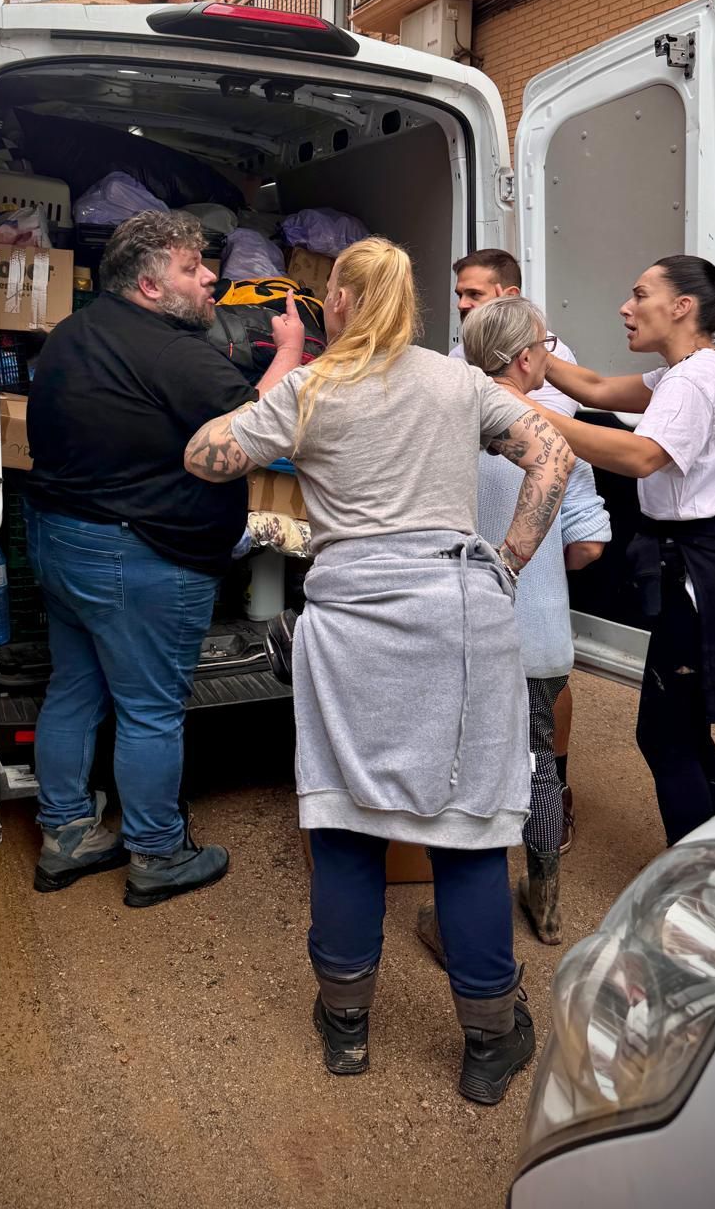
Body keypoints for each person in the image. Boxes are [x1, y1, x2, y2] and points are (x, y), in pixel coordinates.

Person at [184, 238, 575, 1106]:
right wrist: (506, 562)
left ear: (346, 303)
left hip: (351, 622)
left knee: (346, 824)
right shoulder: (459, 382)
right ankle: (486, 1043)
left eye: (330, 298)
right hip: (461, 616)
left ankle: (347, 1027)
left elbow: (206, 455)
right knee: (469, 831)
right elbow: (555, 458)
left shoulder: (311, 388)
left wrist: (265, 397)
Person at [23, 211, 305, 904]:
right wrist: (290, 353)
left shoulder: (72, 334)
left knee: (75, 689)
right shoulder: (173, 354)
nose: (210, 276)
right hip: (139, 556)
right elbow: (253, 431)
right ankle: (156, 852)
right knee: (151, 708)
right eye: (192, 268)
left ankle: (65, 835)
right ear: (150, 285)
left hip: (62, 540)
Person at [515, 255, 715, 846]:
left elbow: (640, 457)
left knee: (667, 733)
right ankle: (709, 854)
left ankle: (693, 877)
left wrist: (521, 409)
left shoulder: (696, 379)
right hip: (708, 569)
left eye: (639, 294)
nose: (626, 306)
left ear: (682, 307)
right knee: (686, 728)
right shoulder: (692, 371)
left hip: (708, 577)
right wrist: (536, 352)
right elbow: (592, 386)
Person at [449, 296, 609, 946]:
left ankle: (466, 913)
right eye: (546, 345)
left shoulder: (444, 425)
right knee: (540, 763)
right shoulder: (559, 433)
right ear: (523, 359)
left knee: (465, 769)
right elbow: (587, 544)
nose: (551, 354)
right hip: (537, 632)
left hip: (461, 627)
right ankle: (543, 900)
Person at [452, 248, 588, 850]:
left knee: (534, 702)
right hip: (502, 576)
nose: (462, 305)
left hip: (509, 581)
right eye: (459, 295)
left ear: (506, 296)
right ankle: (536, 834)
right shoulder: (453, 370)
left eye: (474, 295)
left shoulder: (552, 368)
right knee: (507, 708)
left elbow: (564, 467)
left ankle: (532, 817)